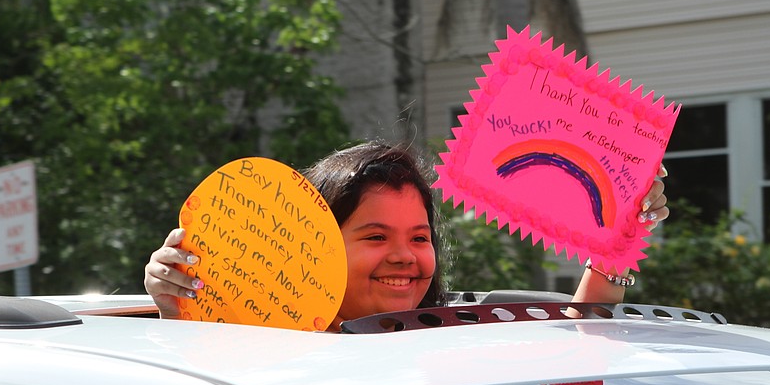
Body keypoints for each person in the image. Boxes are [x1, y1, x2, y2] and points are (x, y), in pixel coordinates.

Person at [144, 140, 668, 331]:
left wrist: (617, 242)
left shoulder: (445, 337)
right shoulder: (261, 350)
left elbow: (582, 354)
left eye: (420, 238)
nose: (405, 257)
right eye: (375, 237)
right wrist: (179, 309)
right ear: (314, 244)